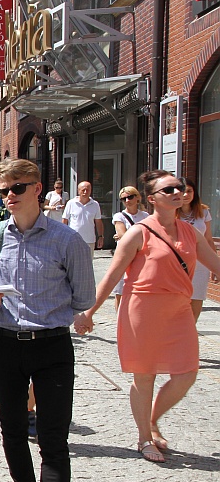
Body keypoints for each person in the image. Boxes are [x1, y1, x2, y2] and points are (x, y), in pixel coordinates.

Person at [0, 158, 95, 482]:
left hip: (52, 347)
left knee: (53, 439)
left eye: (18, 188)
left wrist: (51, 309)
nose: (9, 196)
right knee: (11, 430)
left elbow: (83, 297)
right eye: (3, 190)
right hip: (6, 345)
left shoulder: (67, 241)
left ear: (37, 189)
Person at [74, 170, 220, 464]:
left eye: (179, 188)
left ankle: (153, 420)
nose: (178, 192)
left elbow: (216, 263)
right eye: (169, 190)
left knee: (187, 373)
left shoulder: (191, 231)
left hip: (179, 310)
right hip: (142, 310)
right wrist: (89, 312)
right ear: (153, 199)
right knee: (145, 376)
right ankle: (144, 437)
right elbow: (112, 275)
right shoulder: (138, 232)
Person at [178, 176, 213, 321]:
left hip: (200, 264)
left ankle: (190, 331)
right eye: (182, 191)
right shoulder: (170, 214)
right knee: (179, 300)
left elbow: (209, 239)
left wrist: (214, 264)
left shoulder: (203, 212)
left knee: (197, 298)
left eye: (189, 191)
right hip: (178, 263)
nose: (186, 195)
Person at [110, 186, 150, 309]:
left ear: (137, 197)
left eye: (130, 197)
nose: (127, 200)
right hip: (124, 256)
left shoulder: (146, 216)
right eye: (124, 199)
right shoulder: (119, 216)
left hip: (142, 255)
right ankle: (119, 322)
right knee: (120, 291)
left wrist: (127, 235)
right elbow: (123, 235)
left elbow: (151, 234)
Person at [62, 181, 103, 253]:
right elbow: (65, 220)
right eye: (83, 190)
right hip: (73, 240)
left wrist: (100, 237)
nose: (85, 192)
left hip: (89, 240)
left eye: (88, 190)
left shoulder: (95, 204)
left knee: (88, 263)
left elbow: (98, 222)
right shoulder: (71, 203)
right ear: (78, 191)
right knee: (73, 263)